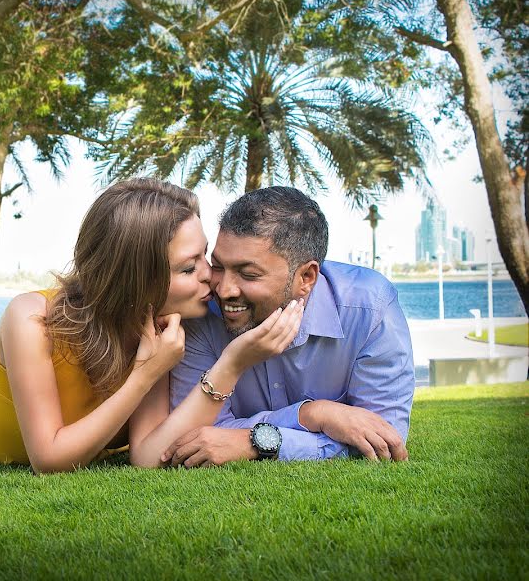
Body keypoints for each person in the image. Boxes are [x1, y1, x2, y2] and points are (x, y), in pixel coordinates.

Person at [0, 178, 304, 472]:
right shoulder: (32, 320)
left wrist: (231, 364)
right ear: (135, 278)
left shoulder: (166, 328)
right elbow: (49, 459)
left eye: (204, 257)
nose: (213, 278)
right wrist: (144, 375)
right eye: (189, 268)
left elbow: (151, 454)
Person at [164, 186, 415, 465]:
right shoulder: (202, 313)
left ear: (306, 277)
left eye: (247, 273)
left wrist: (253, 443)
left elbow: (382, 442)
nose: (223, 290)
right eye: (219, 266)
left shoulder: (370, 309)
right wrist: (314, 415)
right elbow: (193, 439)